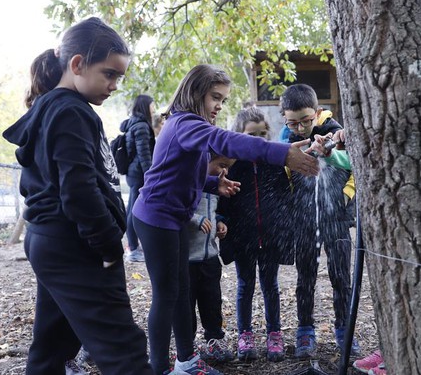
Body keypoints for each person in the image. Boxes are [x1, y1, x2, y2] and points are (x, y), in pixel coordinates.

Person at [130, 64, 319, 375]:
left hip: (169, 217)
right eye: (215, 97)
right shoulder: (185, 123)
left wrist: (211, 184)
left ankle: (185, 361)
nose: (219, 105)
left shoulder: (184, 125)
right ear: (195, 93)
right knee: (167, 296)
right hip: (155, 218)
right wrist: (282, 153)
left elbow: (175, 174)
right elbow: (228, 141)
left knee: (176, 291)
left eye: (223, 100)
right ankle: (158, 368)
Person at [2, 17, 152, 375]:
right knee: (124, 350)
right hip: (74, 245)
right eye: (109, 74)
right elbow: (78, 189)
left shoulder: (55, 107)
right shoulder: (70, 111)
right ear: (76, 64)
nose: (115, 85)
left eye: (120, 77)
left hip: (51, 242)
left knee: (53, 346)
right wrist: (107, 246)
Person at [279, 84, 361, 357]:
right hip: (303, 218)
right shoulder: (285, 136)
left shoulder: (335, 130)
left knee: (341, 275)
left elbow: (354, 161)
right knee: (305, 276)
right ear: (284, 118)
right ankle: (304, 330)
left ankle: (344, 330)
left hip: (336, 216)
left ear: (317, 112)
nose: (301, 128)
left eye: (306, 120)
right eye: (293, 122)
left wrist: (329, 152)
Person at [217, 107, 293, 362]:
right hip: (243, 238)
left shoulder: (273, 163)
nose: (258, 139)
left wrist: (284, 229)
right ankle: (245, 333)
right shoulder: (233, 168)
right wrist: (221, 221)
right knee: (245, 285)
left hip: (269, 237)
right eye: (251, 135)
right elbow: (223, 202)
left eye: (262, 134)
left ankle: (274, 333)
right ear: (239, 135)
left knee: (270, 285)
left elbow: (284, 197)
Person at [189, 153, 236, 364]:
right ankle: (186, 346)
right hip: (188, 258)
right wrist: (196, 219)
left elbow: (214, 211)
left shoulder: (216, 187)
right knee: (186, 305)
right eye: (220, 166)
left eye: (227, 168)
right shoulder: (188, 183)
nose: (224, 172)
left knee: (212, 301)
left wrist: (218, 223)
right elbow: (175, 208)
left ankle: (214, 340)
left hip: (209, 256)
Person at [119, 94, 156, 262]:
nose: (154, 108)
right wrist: (151, 175)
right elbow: (144, 154)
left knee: (132, 209)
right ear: (144, 106)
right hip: (138, 174)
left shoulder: (134, 123)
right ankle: (133, 249)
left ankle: (134, 246)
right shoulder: (141, 125)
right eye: (151, 105)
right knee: (134, 210)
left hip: (133, 173)